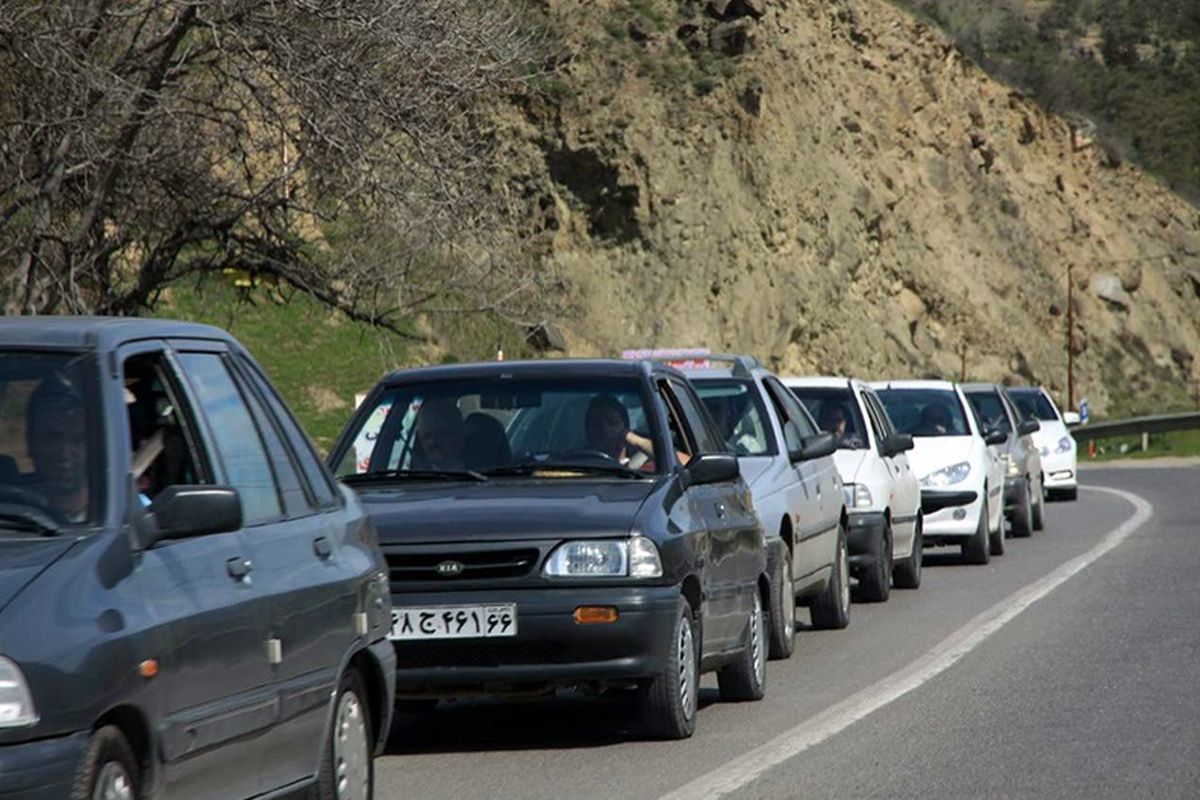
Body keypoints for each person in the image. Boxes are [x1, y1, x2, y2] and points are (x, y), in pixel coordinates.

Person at [25, 374, 89, 521]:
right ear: (30, 441)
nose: (64, 453)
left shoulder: (126, 516)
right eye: (52, 438)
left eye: (79, 439)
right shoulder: (9, 515)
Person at [413, 399, 466, 470]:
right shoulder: (414, 476)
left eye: (441, 435)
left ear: (458, 437)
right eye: (426, 436)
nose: (433, 442)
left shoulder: (477, 475)